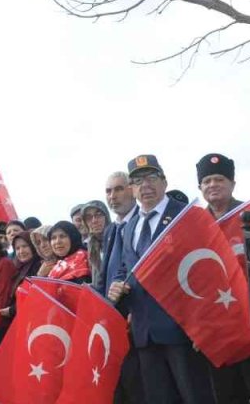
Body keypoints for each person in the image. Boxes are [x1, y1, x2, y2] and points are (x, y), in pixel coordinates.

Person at [107, 155, 214, 404]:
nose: (145, 186)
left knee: (196, 397)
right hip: (144, 333)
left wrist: (204, 326)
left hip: (182, 331)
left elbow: (205, 274)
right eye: (138, 181)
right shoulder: (130, 225)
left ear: (164, 182)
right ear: (132, 189)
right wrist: (117, 285)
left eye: (152, 178)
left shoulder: (186, 216)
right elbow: (127, 267)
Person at [193, 153, 250, 404]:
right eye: (207, 181)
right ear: (200, 188)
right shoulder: (194, 226)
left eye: (219, 179)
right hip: (216, 332)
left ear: (232, 183)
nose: (213, 185)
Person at [96, 170, 146, 404]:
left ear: (132, 190)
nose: (112, 196)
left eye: (118, 189)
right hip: (113, 321)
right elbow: (106, 276)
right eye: (108, 190)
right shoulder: (110, 230)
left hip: (136, 320)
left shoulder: (142, 223)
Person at [79, 200, 110, 285]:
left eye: (98, 215)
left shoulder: (117, 238)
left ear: (106, 216)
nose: (94, 221)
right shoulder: (91, 244)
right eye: (89, 218)